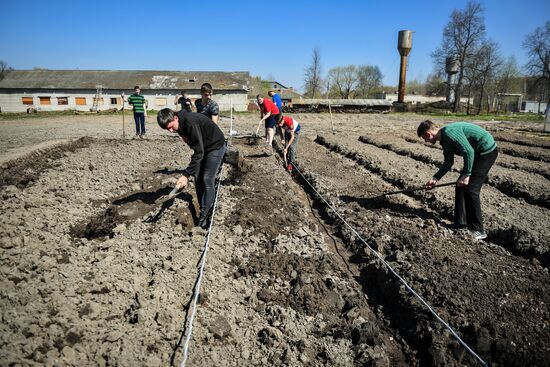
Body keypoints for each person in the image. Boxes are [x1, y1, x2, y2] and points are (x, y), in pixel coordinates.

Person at [417, 120, 498, 240]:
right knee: (460, 186)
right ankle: (460, 224)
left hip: (486, 151)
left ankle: (478, 230)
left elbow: (468, 151)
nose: (425, 141)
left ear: (429, 134)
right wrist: (435, 178)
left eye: (425, 138)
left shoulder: (450, 133)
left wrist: (467, 174)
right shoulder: (444, 141)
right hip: (477, 153)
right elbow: (448, 162)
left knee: (471, 189)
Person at [157, 108, 226, 228]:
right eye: (168, 129)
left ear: (175, 118)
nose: (171, 131)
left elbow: (198, 152)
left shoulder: (190, 122)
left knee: (207, 179)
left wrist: (185, 175)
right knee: (198, 178)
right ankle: (202, 209)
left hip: (215, 145)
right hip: (203, 148)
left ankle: (206, 216)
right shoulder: (179, 125)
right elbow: (197, 148)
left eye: (172, 127)